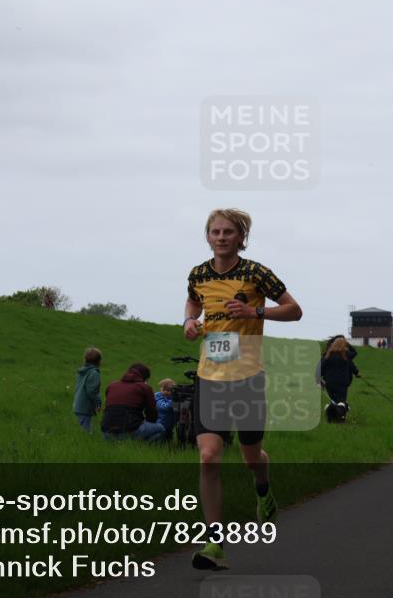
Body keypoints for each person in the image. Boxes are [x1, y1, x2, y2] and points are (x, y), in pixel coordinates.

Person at [183, 208, 303, 571]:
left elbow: (294, 310)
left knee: (252, 459)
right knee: (208, 456)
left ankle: (263, 489)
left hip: (247, 378)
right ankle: (214, 544)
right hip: (210, 377)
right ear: (208, 236)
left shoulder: (256, 273)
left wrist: (256, 313)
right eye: (215, 232)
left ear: (241, 238)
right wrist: (190, 320)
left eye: (228, 232)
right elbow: (193, 300)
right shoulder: (198, 274)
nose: (221, 237)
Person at [99, 363, 166, 442]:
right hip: (130, 429)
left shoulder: (112, 385)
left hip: (106, 432)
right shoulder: (145, 387)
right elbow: (152, 415)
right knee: (160, 428)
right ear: (145, 378)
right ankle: (142, 446)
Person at [316, 336, 360, 423]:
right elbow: (354, 354)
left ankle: (331, 416)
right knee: (341, 402)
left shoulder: (327, 356)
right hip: (342, 384)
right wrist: (356, 373)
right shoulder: (346, 355)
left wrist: (318, 380)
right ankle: (340, 418)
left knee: (334, 401)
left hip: (329, 383)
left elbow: (321, 368)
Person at [72, 347, 102, 432]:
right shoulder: (94, 373)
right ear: (99, 361)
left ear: (85, 360)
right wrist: (98, 403)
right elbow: (92, 391)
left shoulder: (82, 372)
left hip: (79, 404)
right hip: (85, 407)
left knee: (84, 430)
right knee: (85, 432)